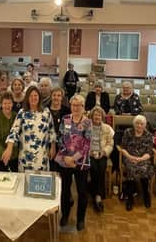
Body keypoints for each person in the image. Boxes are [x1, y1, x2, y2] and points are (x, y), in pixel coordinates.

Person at [55, 95, 92, 231]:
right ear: (70, 106)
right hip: (64, 160)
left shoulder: (88, 123)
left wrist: (74, 159)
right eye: (73, 105)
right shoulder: (65, 119)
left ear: (83, 107)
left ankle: (80, 219)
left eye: (79, 105)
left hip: (81, 162)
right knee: (65, 190)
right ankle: (65, 215)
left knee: (82, 192)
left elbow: (87, 144)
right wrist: (66, 157)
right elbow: (60, 139)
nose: (76, 108)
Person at [3, 87, 57, 172]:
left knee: (41, 182)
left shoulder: (46, 112)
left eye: (35, 95)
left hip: (42, 156)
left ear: (39, 97)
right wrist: (9, 148)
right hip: (26, 157)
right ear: (27, 98)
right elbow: (14, 130)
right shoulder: (22, 112)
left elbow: (51, 130)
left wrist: (53, 147)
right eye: (30, 96)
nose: (33, 98)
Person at [120, 114, 154, 211]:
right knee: (131, 168)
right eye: (137, 123)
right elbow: (122, 148)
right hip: (129, 157)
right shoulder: (128, 132)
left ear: (145, 125)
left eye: (141, 124)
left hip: (143, 159)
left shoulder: (148, 135)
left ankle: (146, 194)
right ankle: (130, 197)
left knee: (144, 168)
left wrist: (141, 159)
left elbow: (149, 152)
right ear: (134, 124)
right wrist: (130, 157)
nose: (139, 126)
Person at [88, 106, 114, 212]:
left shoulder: (107, 128)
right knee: (94, 168)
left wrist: (103, 152)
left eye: (99, 115)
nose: (97, 117)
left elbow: (110, 144)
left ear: (102, 116)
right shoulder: (86, 126)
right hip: (89, 154)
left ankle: (96, 194)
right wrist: (90, 152)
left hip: (102, 153)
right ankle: (99, 196)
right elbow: (82, 142)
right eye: (95, 115)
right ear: (92, 116)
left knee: (101, 168)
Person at [0, 92, 19, 172]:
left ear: (12, 104)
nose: (7, 106)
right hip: (0, 156)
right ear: (1, 104)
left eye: (9, 103)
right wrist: (4, 154)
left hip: (14, 155)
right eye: (5, 103)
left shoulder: (16, 116)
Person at [48, 87, 70, 171]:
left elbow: (68, 129)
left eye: (59, 95)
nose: (56, 97)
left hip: (63, 144)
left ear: (62, 97)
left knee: (62, 172)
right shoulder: (45, 109)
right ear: (51, 96)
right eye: (54, 95)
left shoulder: (67, 111)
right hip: (48, 143)